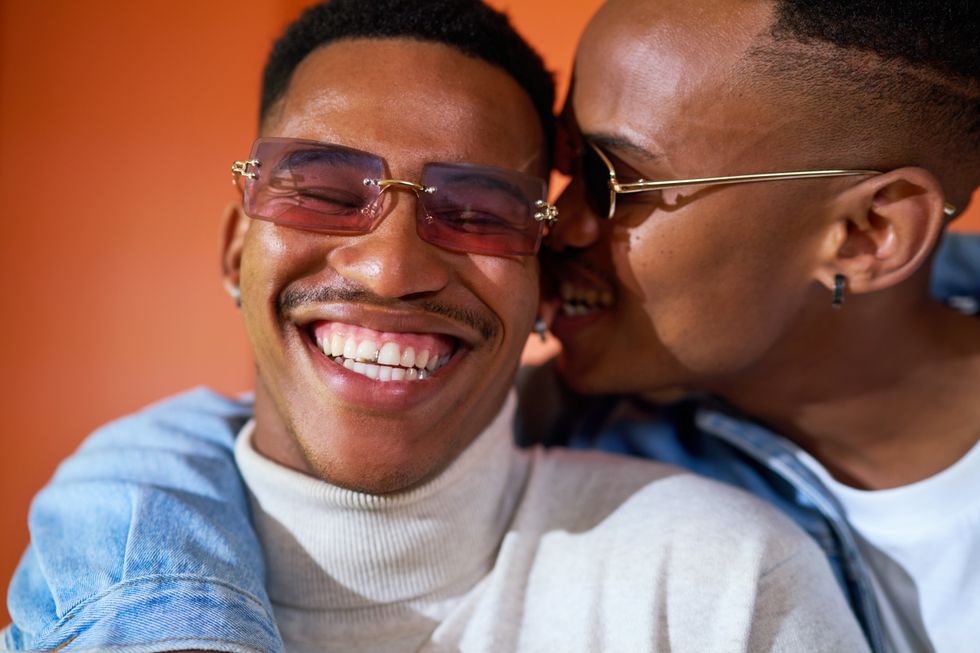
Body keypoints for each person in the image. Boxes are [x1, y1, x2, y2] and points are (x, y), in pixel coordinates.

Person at [2, 1, 870, 652]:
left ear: (540, 275)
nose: (391, 268)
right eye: (324, 190)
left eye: (480, 210)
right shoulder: (87, 581)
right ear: (237, 250)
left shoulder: (718, 584)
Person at [536, 1, 979, 652]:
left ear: (868, 234)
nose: (558, 225)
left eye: (612, 182)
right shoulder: (547, 454)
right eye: (561, 164)